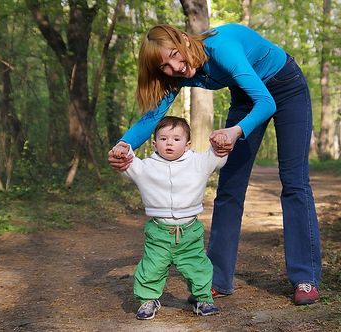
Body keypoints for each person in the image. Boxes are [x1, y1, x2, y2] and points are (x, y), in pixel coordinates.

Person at [108, 23, 321, 306]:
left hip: (285, 88)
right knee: (229, 186)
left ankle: (305, 277)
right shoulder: (177, 75)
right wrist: (124, 146)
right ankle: (216, 278)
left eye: (175, 54)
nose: (176, 67)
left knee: (294, 182)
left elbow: (267, 102)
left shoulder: (221, 49)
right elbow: (151, 118)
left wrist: (236, 131)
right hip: (246, 97)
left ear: (184, 39)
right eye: (165, 66)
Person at [112, 116, 227, 320]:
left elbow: (215, 157)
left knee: (198, 266)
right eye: (163, 139)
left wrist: (219, 144)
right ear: (155, 143)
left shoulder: (197, 162)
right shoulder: (147, 167)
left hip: (189, 231)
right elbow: (129, 165)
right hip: (159, 232)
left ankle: (202, 299)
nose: (169, 143)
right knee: (151, 267)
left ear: (187, 144)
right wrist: (123, 151)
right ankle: (148, 299)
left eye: (176, 139)